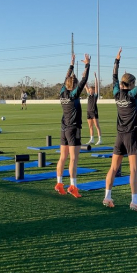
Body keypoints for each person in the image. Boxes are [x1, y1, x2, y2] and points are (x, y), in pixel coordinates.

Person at [103, 47, 137, 212]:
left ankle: (107, 196)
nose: (135, 85)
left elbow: (114, 77)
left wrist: (116, 60)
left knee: (113, 168)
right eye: (134, 84)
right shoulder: (132, 95)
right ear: (130, 85)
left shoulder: (116, 94)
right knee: (134, 170)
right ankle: (134, 202)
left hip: (119, 136)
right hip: (132, 136)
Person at [54, 53, 91, 198]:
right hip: (73, 128)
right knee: (74, 159)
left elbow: (66, 79)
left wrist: (71, 64)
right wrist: (87, 65)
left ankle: (59, 183)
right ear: (74, 85)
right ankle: (73, 186)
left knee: (62, 157)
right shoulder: (73, 95)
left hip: (63, 128)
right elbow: (84, 80)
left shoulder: (62, 93)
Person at [85, 72, 102, 146]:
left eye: (91, 90)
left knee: (97, 126)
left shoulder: (95, 96)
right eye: (89, 90)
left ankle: (100, 139)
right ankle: (91, 139)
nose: (89, 90)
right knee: (90, 126)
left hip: (94, 112)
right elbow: (85, 85)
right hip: (88, 112)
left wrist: (95, 78)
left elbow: (96, 86)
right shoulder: (88, 95)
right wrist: (84, 77)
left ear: (93, 90)